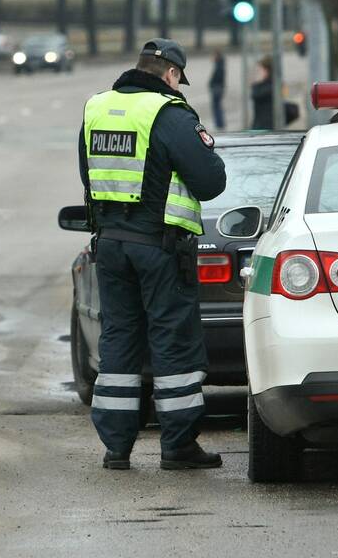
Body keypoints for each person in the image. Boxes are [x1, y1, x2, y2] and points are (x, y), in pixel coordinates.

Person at [78, 38, 227, 471]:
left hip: (110, 244)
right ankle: (177, 445)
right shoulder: (169, 112)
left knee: (119, 338)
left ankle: (117, 448)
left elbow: (87, 173)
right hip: (160, 248)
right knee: (173, 339)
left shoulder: (96, 108)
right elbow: (210, 181)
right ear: (172, 75)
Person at [250, 55, 273, 130]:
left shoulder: (269, 86)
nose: (257, 73)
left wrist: (256, 82)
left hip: (265, 127)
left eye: (260, 70)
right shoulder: (266, 84)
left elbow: (256, 95)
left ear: (267, 71)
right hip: (260, 125)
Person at [209, 51, 226, 130]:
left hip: (217, 88)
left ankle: (219, 123)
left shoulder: (219, 66)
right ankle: (219, 123)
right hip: (218, 88)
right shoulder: (220, 64)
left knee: (216, 106)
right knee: (217, 106)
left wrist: (212, 83)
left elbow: (218, 77)